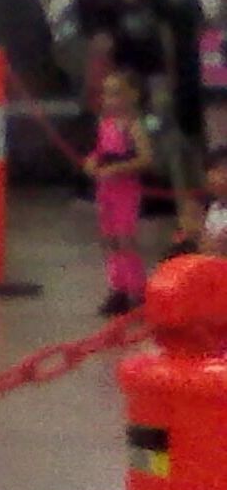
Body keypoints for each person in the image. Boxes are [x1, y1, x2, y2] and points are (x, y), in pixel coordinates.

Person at [88, 70, 157, 316]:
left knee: (125, 237)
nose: (110, 100)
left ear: (133, 96)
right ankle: (118, 286)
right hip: (106, 189)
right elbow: (100, 150)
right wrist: (92, 161)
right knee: (110, 238)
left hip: (125, 190)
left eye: (116, 93)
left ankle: (136, 289)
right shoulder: (105, 124)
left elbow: (146, 158)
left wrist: (119, 168)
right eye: (107, 94)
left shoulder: (134, 126)